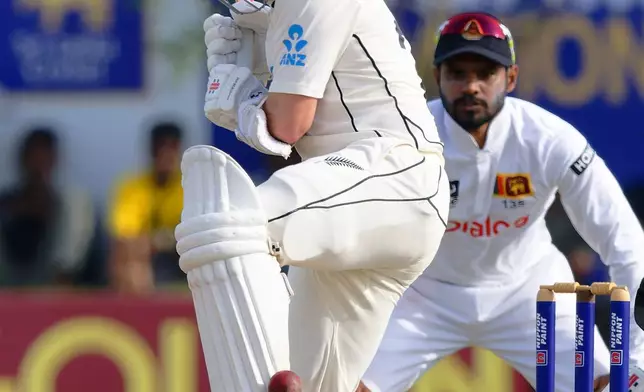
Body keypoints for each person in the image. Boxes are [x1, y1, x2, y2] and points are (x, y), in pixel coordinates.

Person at [359, 12, 644, 392]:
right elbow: (351, 230)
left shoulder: (550, 139)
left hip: (531, 291)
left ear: (510, 78)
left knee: (609, 386)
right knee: (344, 385)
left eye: (486, 73)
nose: (471, 86)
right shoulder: (405, 139)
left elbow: (625, 242)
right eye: (458, 73)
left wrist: (636, 359)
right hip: (422, 294)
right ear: (437, 77)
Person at [174, 0, 450, 391]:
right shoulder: (279, 14)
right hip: (354, 205)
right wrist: (255, 60)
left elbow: (287, 124)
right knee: (320, 385)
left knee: (232, 221)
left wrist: (239, 99)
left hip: (395, 176)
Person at [107, 121, 184, 294]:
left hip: (180, 256)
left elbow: (191, 235)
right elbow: (125, 236)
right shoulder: (131, 187)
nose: (166, 154)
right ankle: (138, 310)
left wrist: (159, 240)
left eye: (171, 147)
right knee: (127, 254)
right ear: (150, 150)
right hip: (146, 257)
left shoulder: (190, 185)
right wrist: (156, 241)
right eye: (160, 148)